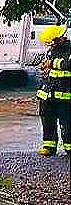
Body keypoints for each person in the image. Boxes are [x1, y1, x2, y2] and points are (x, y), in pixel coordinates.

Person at [36, 24, 71, 156]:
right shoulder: (51, 51)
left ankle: (69, 147)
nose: (51, 46)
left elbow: (68, 65)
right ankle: (49, 146)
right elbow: (49, 66)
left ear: (59, 39)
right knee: (47, 121)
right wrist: (45, 69)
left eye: (53, 43)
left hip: (65, 95)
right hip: (48, 94)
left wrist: (52, 64)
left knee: (67, 123)